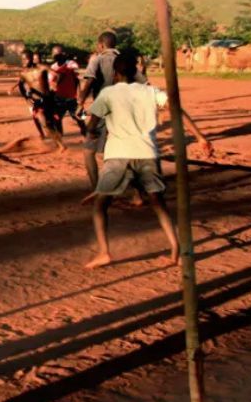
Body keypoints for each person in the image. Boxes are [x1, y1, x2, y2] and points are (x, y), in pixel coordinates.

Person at [83, 51, 212, 268]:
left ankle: (104, 252)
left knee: (100, 206)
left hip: (118, 155)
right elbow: (177, 110)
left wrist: (92, 131)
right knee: (158, 203)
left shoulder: (108, 94)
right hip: (148, 153)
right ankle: (175, 251)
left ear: (115, 73)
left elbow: (91, 126)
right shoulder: (150, 91)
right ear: (136, 71)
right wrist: (200, 137)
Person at [76, 31, 146, 189]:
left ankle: (96, 189)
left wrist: (80, 102)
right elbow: (144, 83)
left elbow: (89, 82)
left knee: (88, 151)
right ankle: (137, 194)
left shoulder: (97, 59)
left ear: (100, 45)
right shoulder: (125, 61)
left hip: (103, 109)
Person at [17, 51, 65, 152]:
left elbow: (58, 75)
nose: (24, 61)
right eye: (22, 59)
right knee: (43, 121)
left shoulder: (41, 68)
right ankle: (60, 145)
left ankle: (59, 141)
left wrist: (55, 85)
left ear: (31, 58)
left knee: (53, 122)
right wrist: (26, 98)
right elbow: (20, 86)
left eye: (26, 58)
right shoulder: (23, 73)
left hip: (48, 98)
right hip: (37, 101)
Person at [49, 46, 85, 135]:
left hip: (72, 98)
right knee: (56, 119)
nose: (56, 56)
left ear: (63, 54)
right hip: (59, 98)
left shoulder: (70, 64)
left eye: (58, 54)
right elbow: (51, 83)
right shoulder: (52, 67)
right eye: (54, 54)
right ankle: (60, 137)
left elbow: (75, 70)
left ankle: (85, 131)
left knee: (80, 118)